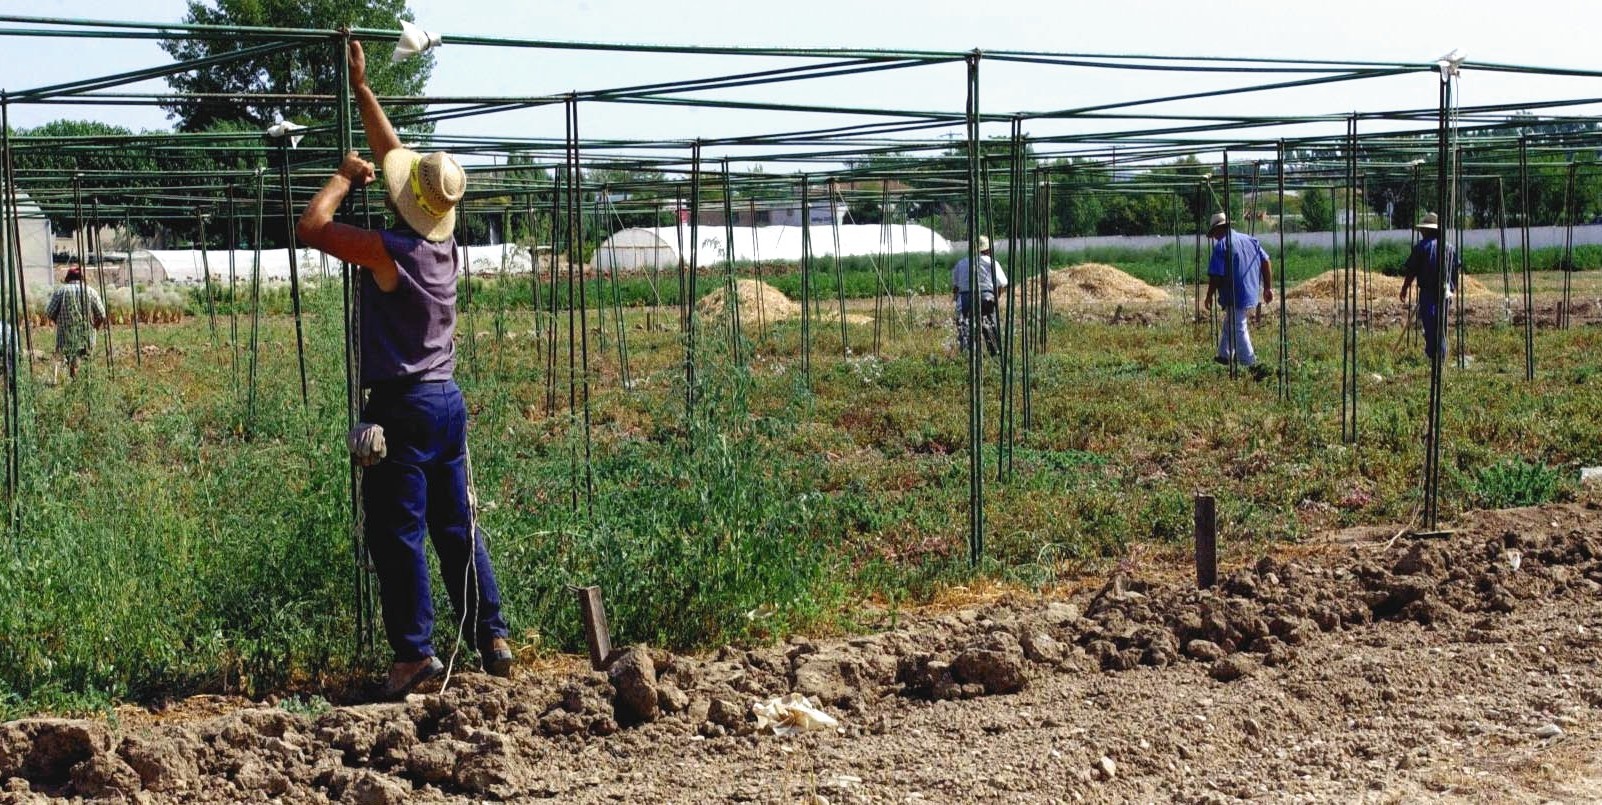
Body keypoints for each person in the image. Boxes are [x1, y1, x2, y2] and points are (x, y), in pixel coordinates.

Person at [296, 39, 512, 698]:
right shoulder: (442, 250)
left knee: (399, 532)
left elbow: (312, 227)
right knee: (456, 527)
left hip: (404, 405)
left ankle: (415, 657)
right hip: (447, 399)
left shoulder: (389, 251)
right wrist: (363, 90)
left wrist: (340, 176)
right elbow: (396, 158)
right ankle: (492, 634)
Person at [1203, 212, 1273, 379]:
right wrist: (1267, 287)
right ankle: (1224, 355)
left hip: (1235, 291)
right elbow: (1266, 261)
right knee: (1231, 320)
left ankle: (1250, 363)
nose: (1214, 238)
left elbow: (1216, 275)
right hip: (1251, 289)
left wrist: (1209, 295)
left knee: (1239, 326)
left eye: (1214, 234)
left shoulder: (1222, 246)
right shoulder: (1250, 240)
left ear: (1218, 230)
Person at [1399, 212, 1460, 364]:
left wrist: (1405, 288)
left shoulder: (1421, 247)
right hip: (1445, 292)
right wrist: (1453, 288)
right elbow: (1455, 271)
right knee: (1440, 324)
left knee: (1430, 323)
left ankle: (1435, 355)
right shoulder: (1449, 248)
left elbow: (1411, 271)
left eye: (1423, 229)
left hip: (1428, 292)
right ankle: (1439, 354)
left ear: (1428, 230)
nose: (1421, 232)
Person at [44, 267, 106, 380]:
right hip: (86, 337)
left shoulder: (61, 291)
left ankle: (72, 384)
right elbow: (102, 315)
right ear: (82, 278)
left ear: (68, 278)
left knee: (69, 364)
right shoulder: (90, 291)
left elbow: (49, 312)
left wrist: (59, 322)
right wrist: (95, 328)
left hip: (65, 337)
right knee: (86, 365)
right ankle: (85, 385)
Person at [951, 235, 1008, 356]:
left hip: (966, 299)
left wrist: (956, 304)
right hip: (986, 297)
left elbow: (955, 287)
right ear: (987, 250)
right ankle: (995, 354)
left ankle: (968, 355)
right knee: (989, 326)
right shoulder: (992, 263)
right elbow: (1001, 284)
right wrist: (995, 299)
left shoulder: (961, 263)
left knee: (966, 328)